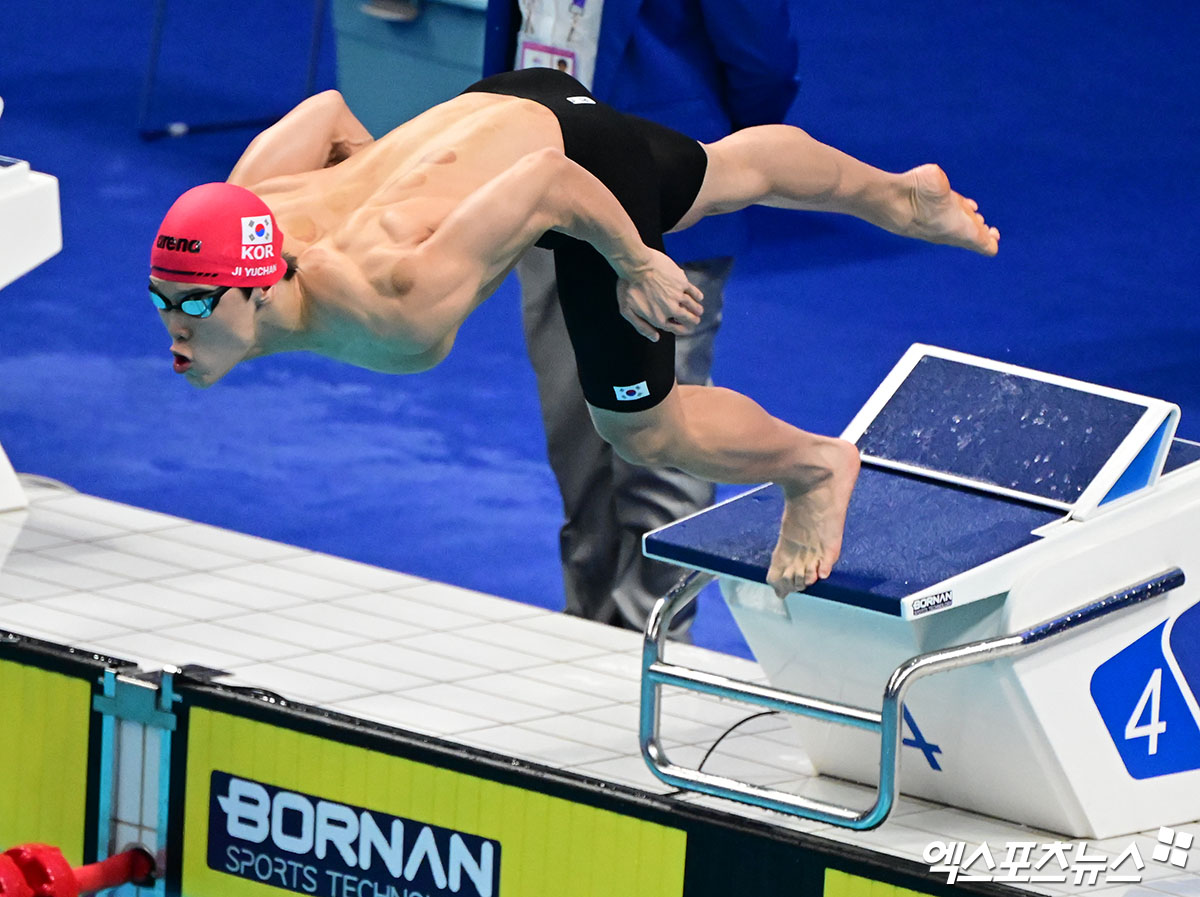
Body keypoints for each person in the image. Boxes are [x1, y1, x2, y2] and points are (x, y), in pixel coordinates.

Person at [148, 69, 999, 599]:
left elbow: (555, 182)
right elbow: (331, 112)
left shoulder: (393, 297)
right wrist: (419, 202)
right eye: (161, 300)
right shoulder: (248, 200)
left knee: (639, 425)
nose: (172, 327)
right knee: (722, 172)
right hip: (512, 99)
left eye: (190, 304)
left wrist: (633, 264)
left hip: (566, 167)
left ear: (255, 291)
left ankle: (815, 468)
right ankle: (901, 194)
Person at [482, 0, 802, 636]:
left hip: (663, 195)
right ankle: (588, 627)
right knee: (576, 435)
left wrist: (706, 165)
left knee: (661, 437)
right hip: (544, 182)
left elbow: (759, 58)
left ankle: (651, 643)